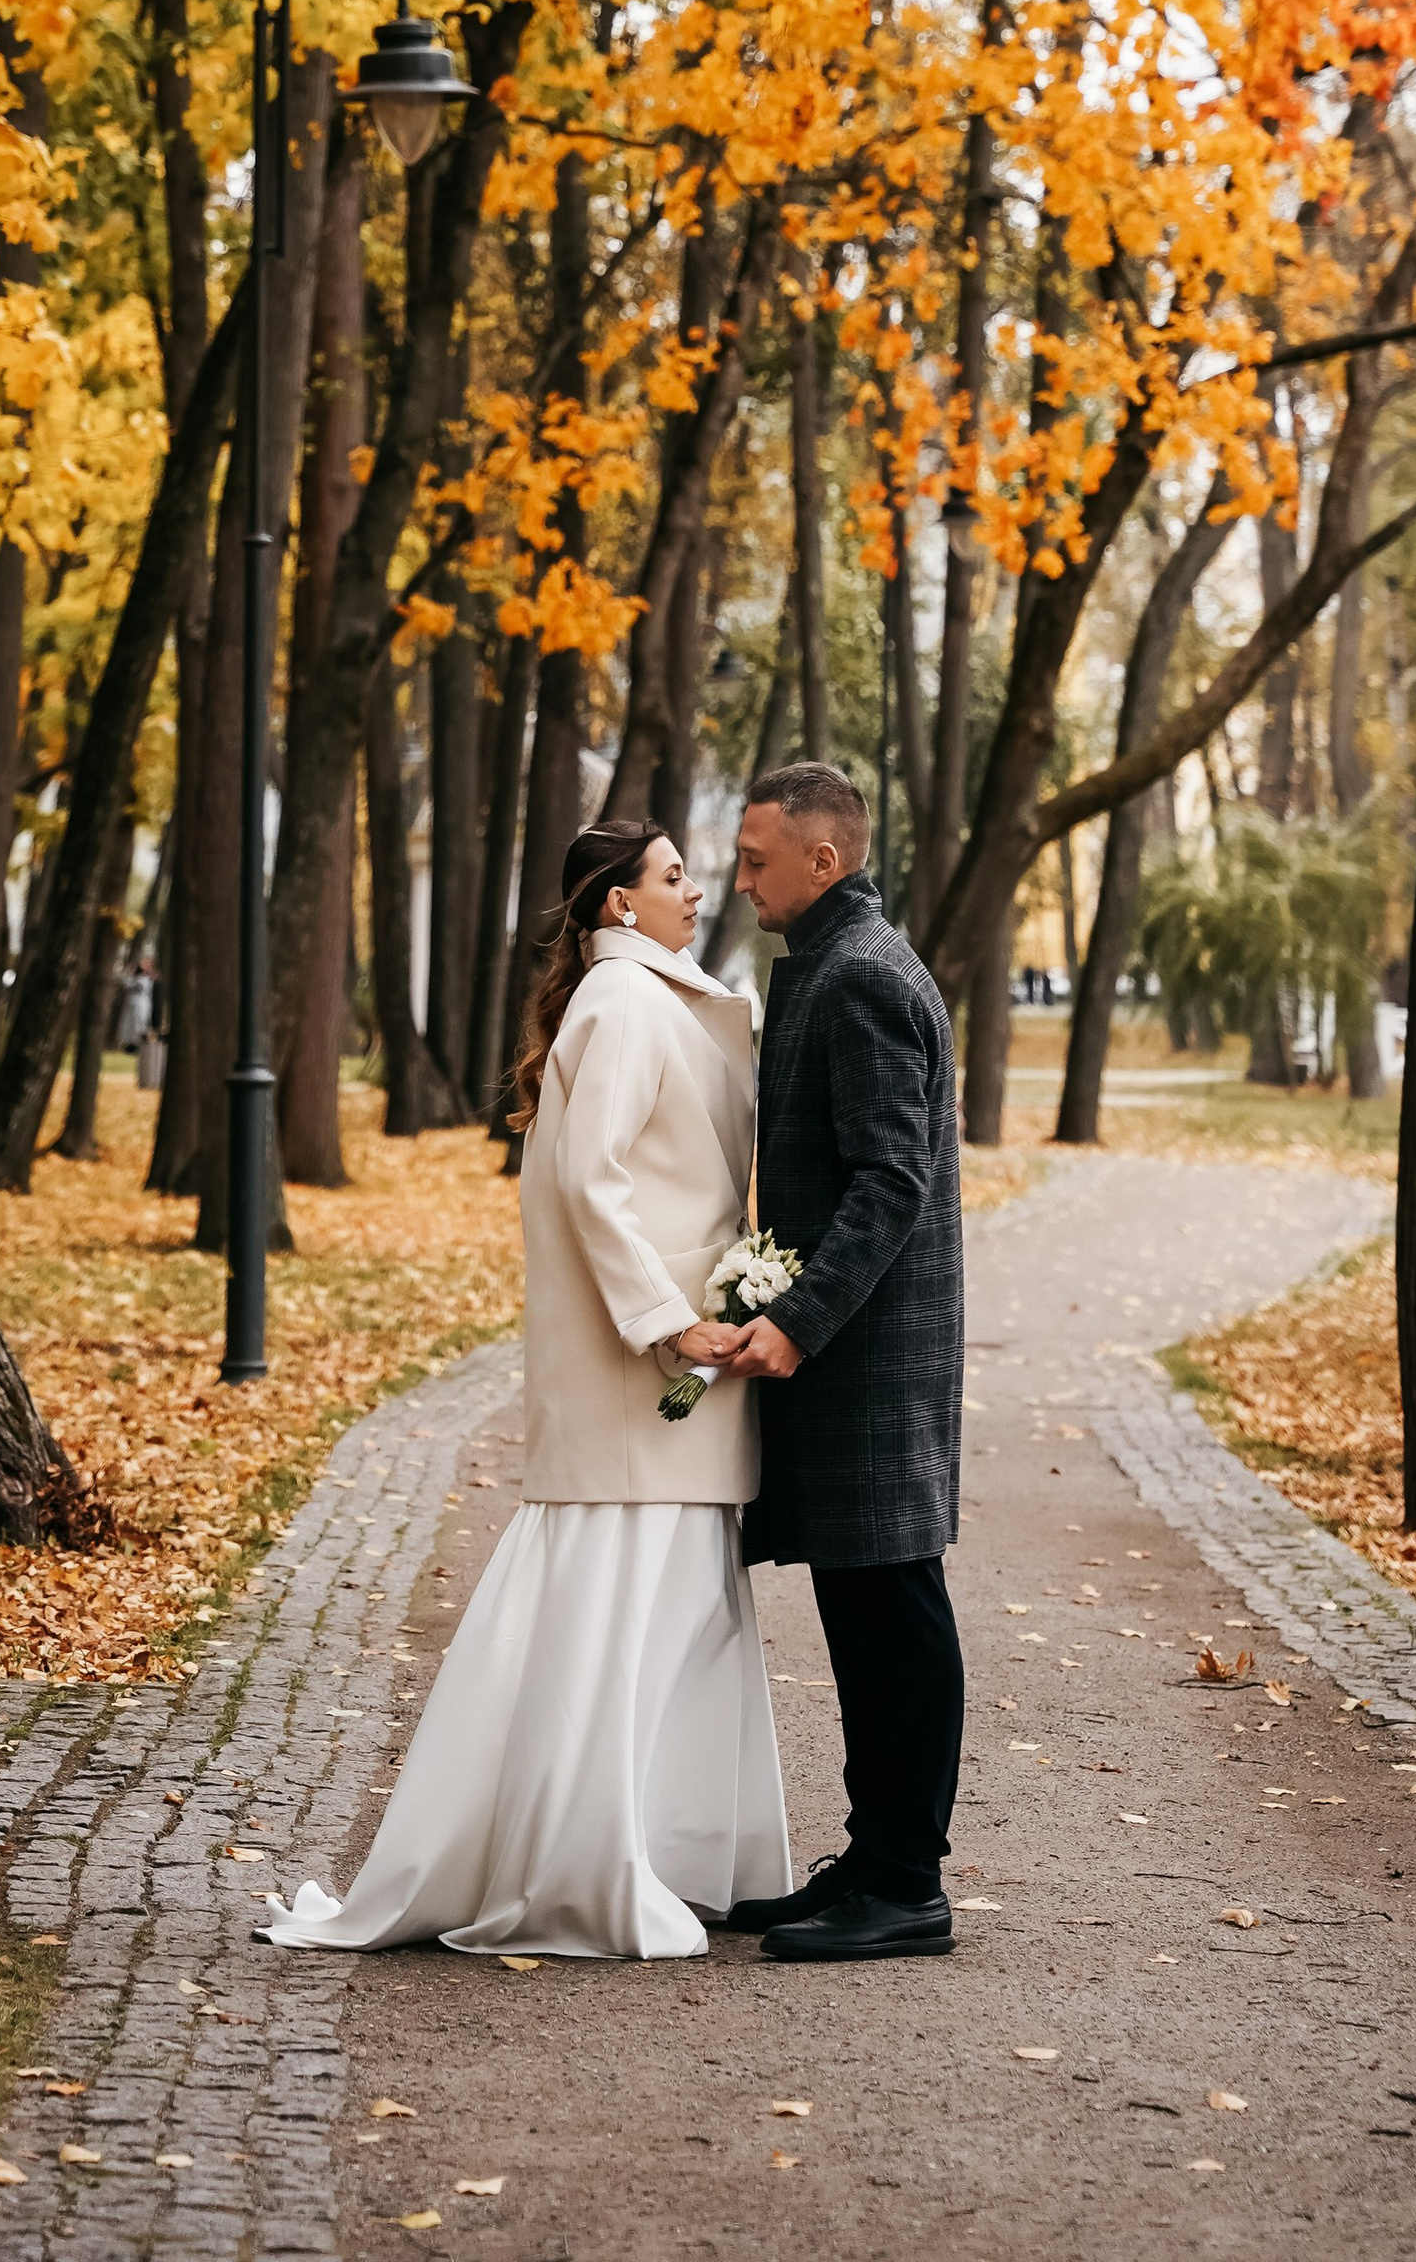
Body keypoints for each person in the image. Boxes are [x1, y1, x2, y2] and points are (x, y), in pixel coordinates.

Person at [260, 817, 792, 1960]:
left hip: (678, 1368)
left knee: (672, 1611)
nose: (695, 890)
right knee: (621, 1605)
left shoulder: (651, 999)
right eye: (669, 876)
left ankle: (661, 1849)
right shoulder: (622, 1006)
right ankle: (589, 1868)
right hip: (642, 1367)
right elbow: (583, 1190)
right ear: (616, 905)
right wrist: (669, 1324)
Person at [715, 758, 965, 1962]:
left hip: (868, 1352)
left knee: (893, 1608)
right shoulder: (833, 964)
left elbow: (891, 1181)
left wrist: (799, 1318)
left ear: (827, 858)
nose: (741, 876)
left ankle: (907, 1882)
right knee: (863, 1612)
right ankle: (873, 1861)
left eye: (758, 857)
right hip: (852, 1349)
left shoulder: (860, 978)